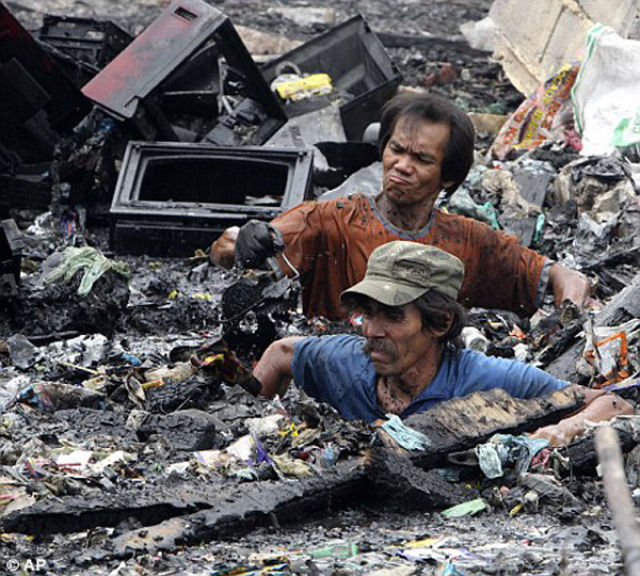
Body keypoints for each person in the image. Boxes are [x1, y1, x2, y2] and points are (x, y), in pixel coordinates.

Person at [211, 91, 591, 320]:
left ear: (447, 176)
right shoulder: (329, 221)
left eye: (422, 160)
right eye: (396, 150)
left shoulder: (470, 242)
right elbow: (229, 249)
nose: (402, 167)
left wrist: (564, 318)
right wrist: (243, 239)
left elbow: (564, 277)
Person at [252, 241, 632, 446]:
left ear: (439, 323)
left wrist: (557, 433)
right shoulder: (346, 362)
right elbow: (280, 353)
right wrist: (250, 426)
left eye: (393, 315)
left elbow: (612, 402)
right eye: (368, 313)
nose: (372, 330)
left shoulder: (489, 379)